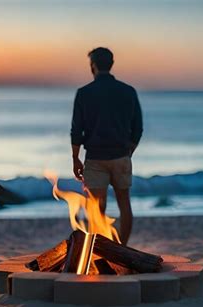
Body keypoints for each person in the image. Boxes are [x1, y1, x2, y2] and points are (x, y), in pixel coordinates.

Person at [70, 47, 143, 245]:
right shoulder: (128, 91)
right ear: (111, 64)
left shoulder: (84, 93)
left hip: (95, 158)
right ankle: (123, 247)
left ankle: (101, 250)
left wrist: (75, 157)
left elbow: (77, 129)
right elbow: (138, 128)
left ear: (92, 66)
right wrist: (129, 152)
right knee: (124, 204)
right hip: (121, 155)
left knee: (96, 208)